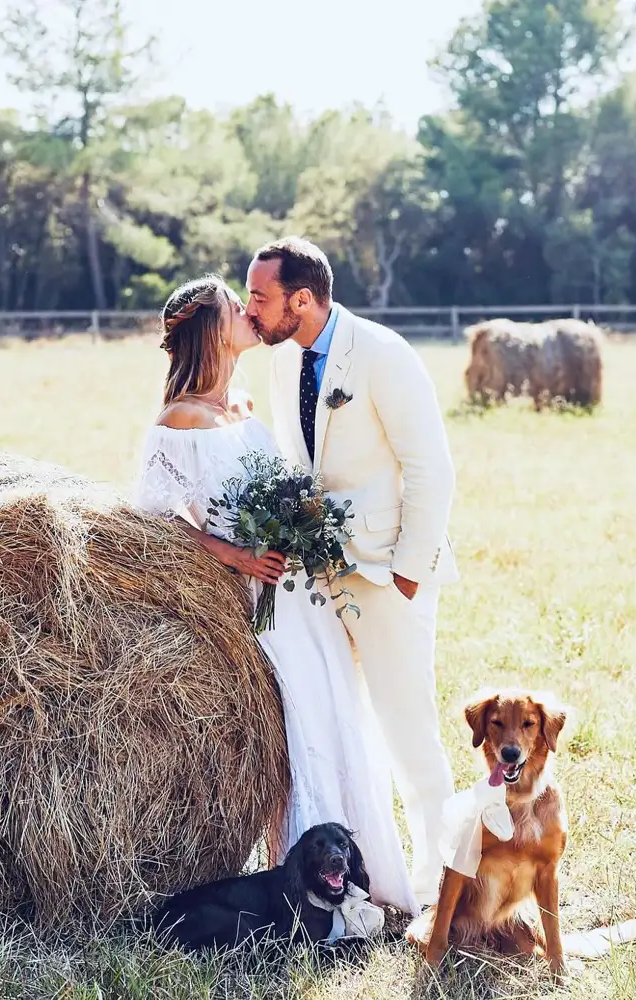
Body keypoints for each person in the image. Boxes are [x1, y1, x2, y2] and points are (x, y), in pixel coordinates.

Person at [134, 274, 417, 914]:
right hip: (256, 599)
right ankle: (305, 893)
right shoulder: (181, 419)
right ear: (214, 328)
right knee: (301, 723)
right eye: (239, 307)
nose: (250, 313)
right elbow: (151, 515)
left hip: (302, 593)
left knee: (339, 713)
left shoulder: (245, 405)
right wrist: (232, 553)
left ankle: (363, 881)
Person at [246, 237, 458, 906]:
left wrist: (409, 572)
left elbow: (431, 468)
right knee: (340, 725)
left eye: (260, 296)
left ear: (301, 300)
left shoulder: (384, 356)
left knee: (409, 734)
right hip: (317, 580)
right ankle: (363, 876)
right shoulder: (284, 362)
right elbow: (299, 462)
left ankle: (440, 892)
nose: (251, 309)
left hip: (387, 575)